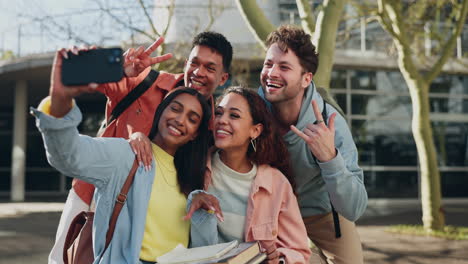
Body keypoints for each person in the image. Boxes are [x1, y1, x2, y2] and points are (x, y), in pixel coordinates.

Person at [48, 31, 233, 263]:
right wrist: (116, 68)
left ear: (223, 78)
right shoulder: (146, 80)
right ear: (186, 63)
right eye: (194, 63)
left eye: (210, 67)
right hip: (96, 191)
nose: (198, 72)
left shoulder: (211, 128)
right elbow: (80, 74)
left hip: (152, 218)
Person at [258, 25, 368, 264]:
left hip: (322, 213)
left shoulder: (332, 123)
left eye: (284, 67)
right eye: (268, 64)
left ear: (306, 78)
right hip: (270, 213)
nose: (272, 73)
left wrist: (330, 159)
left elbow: (355, 207)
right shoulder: (252, 110)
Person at [183, 87, 311, 264]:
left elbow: (299, 251)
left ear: (255, 130)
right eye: (219, 113)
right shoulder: (194, 165)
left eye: (234, 116)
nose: (222, 120)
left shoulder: (276, 183)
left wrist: (277, 260)